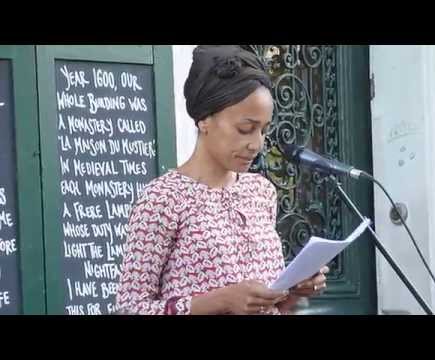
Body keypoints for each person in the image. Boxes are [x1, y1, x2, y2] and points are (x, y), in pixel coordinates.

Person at [115, 45, 329, 315]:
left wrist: (294, 289)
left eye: (263, 131)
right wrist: (220, 301)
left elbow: (270, 304)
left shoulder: (260, 192)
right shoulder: (163, 199)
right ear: (204, 119)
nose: (256, 144)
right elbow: (129, 309)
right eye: (245, 129)